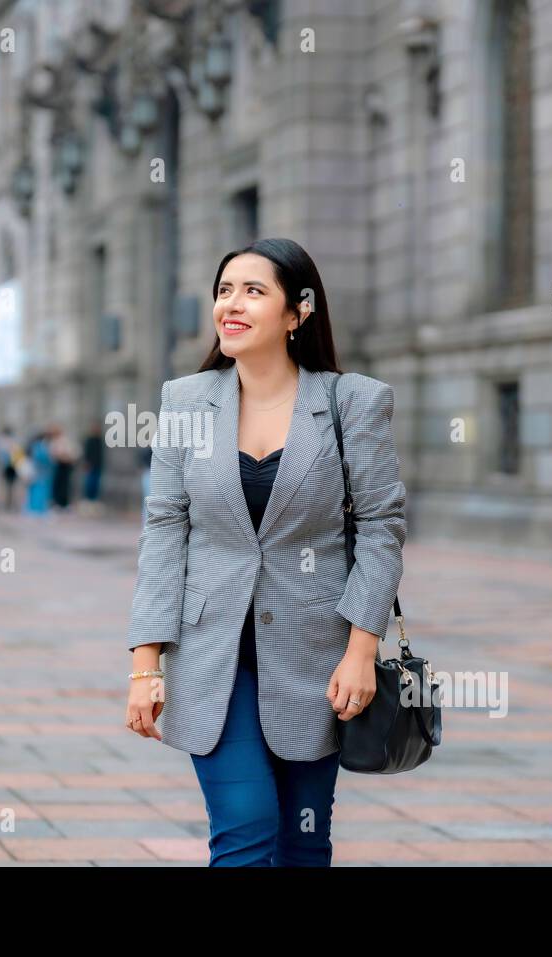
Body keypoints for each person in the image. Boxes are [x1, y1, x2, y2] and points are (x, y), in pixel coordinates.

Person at [123, 238, 407, 867]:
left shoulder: (351, 401)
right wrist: (146, 665)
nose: (232, 304)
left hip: (318, 660)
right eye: (225, 290)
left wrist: (363, 650)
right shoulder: (186, 400)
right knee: (245, 831)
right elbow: (165, 531)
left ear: (296, 313)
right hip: (210, 660)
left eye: (254, 291)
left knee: (304, 844)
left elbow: (382, 527)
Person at [81, 423, 105, 515]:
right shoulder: (89, 440)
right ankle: (88, 502)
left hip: (98, 465)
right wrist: (87, 464)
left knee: (96, 484)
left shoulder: (100, 440)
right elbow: (87, 453)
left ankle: (94, 501)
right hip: (91, 465)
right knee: (89, 483)